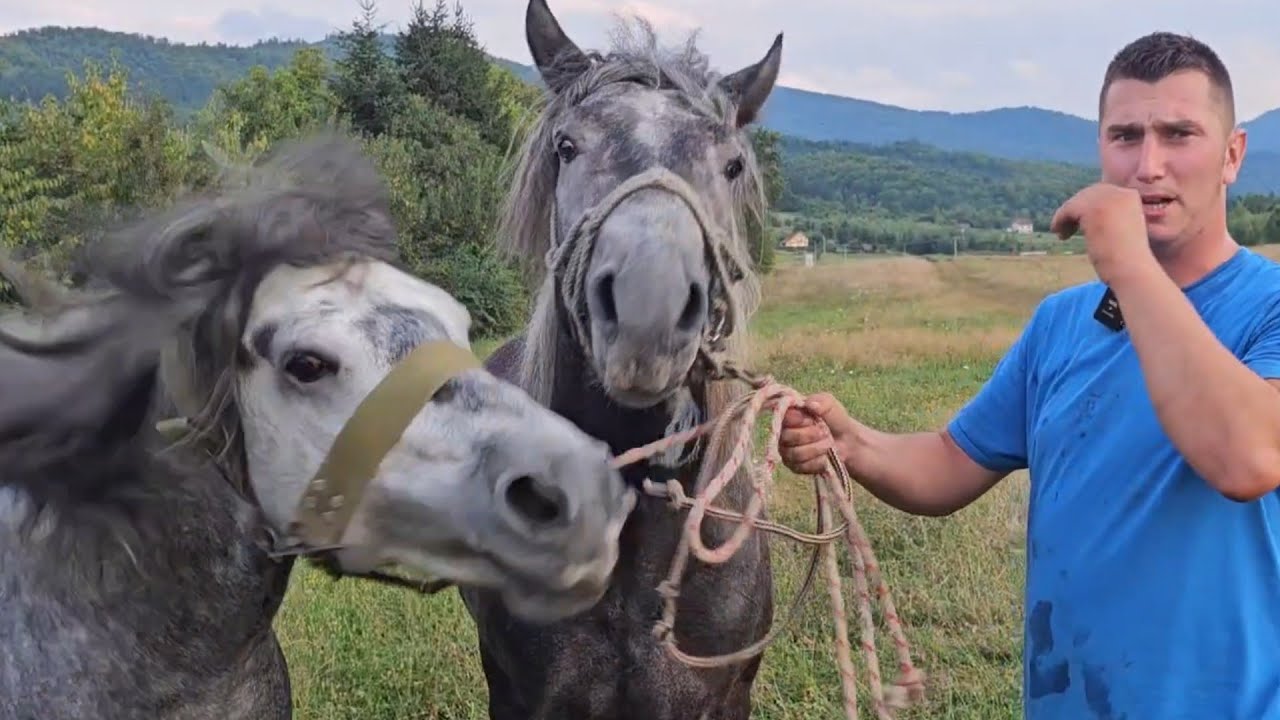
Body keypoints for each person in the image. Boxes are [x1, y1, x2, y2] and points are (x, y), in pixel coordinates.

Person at [778, 31, 1280, 720]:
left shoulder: (1268, 308)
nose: (1148, 164)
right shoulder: (1062, 323)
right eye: (1125, 136)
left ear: (1232, 155)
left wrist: (1129, 267)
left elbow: (1249, 458)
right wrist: (852, 445)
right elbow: (953, 461)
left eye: (1179, 134)